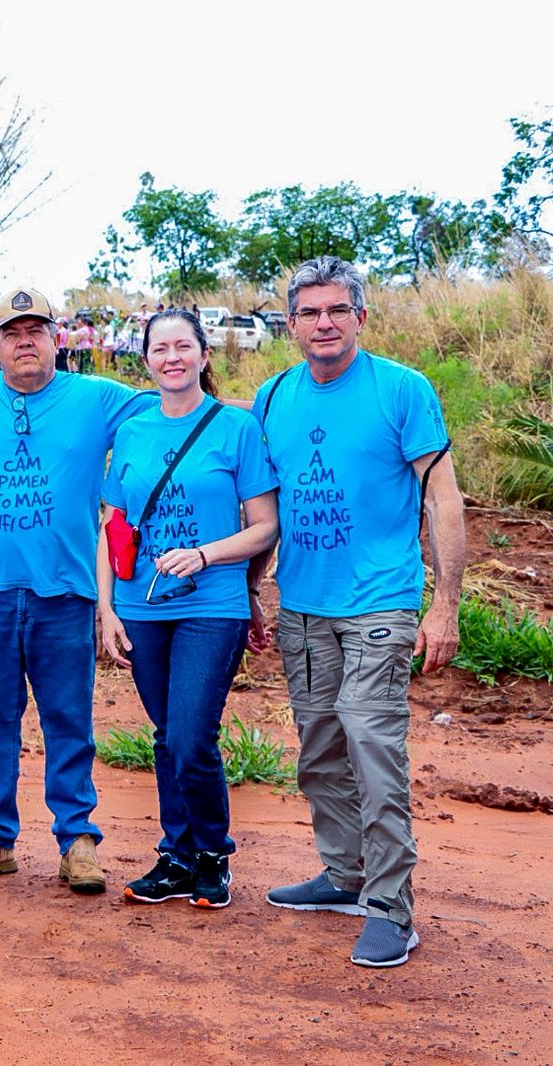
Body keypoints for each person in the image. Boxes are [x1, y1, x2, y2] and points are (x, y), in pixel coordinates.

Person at [254, 256, 464, 968]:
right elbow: (266, 506)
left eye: (337, 310)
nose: (324, 323)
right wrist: (257, 587)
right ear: (291, 324)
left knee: (373, 750)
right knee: (317, 751)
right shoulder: (274, 396)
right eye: (309, 312)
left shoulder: (401, 390)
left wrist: (445, 604)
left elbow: (442, 498)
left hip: (380, 603)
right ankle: (343, 874)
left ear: (361, 317)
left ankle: (390, 909)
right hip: (303, 609)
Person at [0, 285, 157, 894]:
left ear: (58, 339)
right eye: (11, 333)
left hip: (69, 588)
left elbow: (168, 419)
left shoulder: (100, 398)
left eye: (36, 330)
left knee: (67, 716)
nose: (23, 341)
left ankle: (77, 838)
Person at [96, 310, 279, 909]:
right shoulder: (133, 431)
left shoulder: (237, 428)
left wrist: (204, 555)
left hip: (213, 604)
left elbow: (265, 527)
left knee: (191, 732)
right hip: (140, 606)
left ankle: (212, 854)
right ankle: (176, 856)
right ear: (145, 359)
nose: (171, 357)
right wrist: (106, 611)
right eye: (159, 348)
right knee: (167, 735)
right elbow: (111, 528)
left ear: (204, 355)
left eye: (183, 346)